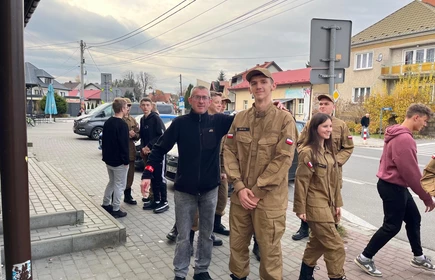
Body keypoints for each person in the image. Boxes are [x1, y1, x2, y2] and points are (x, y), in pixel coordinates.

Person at [141, 86, 234, 280]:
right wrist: (147, 173)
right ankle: (180, 273)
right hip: (185, 191)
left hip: (209, 189)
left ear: (209, 102)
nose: (201, 101)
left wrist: (276, 110)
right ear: (190, 101)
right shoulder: (180, 123)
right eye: (197, 98)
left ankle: (201, 270)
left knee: (207, 234)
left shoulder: (219, 122)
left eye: (205, 98)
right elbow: (160, 148)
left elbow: (248, 119)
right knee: (184, 236)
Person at [224, 68, 297, 280]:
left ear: (273, 85)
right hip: (241, 198)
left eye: (263, 81)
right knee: (237, 247)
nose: (259, 86)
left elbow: (283, 159)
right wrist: (239, 186)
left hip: (269, 202)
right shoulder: (240, 119)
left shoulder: (284, 120)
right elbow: (229, 151)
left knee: (269, 253)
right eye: (254, 83)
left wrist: (255, 192)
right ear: (250, 88)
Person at [354, 103, 435, 277]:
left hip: (394, 185)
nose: (425, 125)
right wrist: (427, 197)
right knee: (391, 226)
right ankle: (365, 257)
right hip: (393, 187)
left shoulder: (396, 133)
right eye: (425, 121)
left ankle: (418, 256)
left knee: (414, 218)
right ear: (416, 117)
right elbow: (411, 173)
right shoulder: (405, 139)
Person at [292, 94, 354, 241]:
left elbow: (348, 147)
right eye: (320, 104)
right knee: (309, 196)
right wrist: (307, 157)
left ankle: (332, 228)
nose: (322, 106)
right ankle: (304, 228)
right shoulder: (310, 124)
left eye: (326, 103)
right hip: (313, 169)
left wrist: (335, 161)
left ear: (333, 107)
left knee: (332, 199)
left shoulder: (341, 125)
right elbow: (300, 143)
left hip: (333, 172)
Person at [294, 113, 346, 280]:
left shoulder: (329, 151)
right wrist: (300, 209)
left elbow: (334, 182)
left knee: (317, 243)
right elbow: (301, 181)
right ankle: (337, 277)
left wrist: (338, 204)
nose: (329, 130)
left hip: (328, 205)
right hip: (315, 206)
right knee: (335, 246)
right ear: (315, 129)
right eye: (325, 126)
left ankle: (305, 276)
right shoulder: (308, 152)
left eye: (330, 126)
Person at [101, 98, 129, 218]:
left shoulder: (108, 122)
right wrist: (126, 161)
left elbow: (104, 141)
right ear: (122, 108)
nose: (127, 109)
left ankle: (106, 203)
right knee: (119, 185)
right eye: (126, 107)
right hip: (119, 161)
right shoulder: (122, 125)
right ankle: (116, 208)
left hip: (108, 159)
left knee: (112, 182)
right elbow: (124, 144)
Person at [139, 97, 169, 214]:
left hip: (158, 153)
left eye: (148, 105)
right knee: (152, 177)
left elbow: (162, 135)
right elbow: (142, 136)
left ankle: (164, 201)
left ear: (151, 106)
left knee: (160, 177)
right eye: (143, 105)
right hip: (148, 154)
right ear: (141, 107)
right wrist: (143, 147)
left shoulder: (155, 119)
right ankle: (156, 200)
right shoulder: (142, 119)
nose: (145, 107)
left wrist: (150, 146)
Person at [122, 98, 140, 205]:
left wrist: (135, 135)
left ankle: (127, 195)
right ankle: (114, 197)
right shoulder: (118, 119)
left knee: (130, 175)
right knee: (119, 176)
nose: (128, 108)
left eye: (129, 106)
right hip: (120, 152)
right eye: (126, 105)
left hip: (130, 151)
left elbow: (138, 135)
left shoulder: (132, 120)